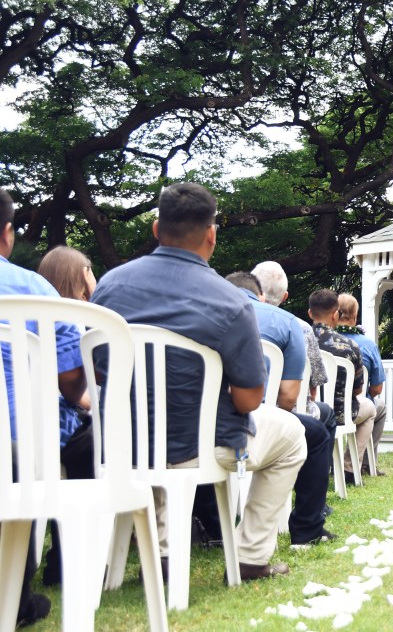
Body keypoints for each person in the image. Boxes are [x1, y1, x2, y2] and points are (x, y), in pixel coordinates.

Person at [91, 182, 306, 579]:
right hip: (198, 447)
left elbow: (100, 369)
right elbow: (248, 401)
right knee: (292, 434)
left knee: (157, 424)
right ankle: (249, 557)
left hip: (125, 442)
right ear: (212, 235)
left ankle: (164, 550)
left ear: (156, 229)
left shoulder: (109, 287)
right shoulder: (231, 300)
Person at [0, 189, 88, 626]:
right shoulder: (33, 290)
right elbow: (71, 382)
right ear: (7, 234)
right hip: (21, 441)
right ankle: (30, 585)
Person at [225, 272, 335, 546]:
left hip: (190, 427)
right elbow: (287, 399)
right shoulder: (288, 322)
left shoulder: (202, 313)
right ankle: (307, 527)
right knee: (318, 433)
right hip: (255, 421)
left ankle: (210, 524)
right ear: (261, 296)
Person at [35, 246, 99, 586]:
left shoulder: (25, 310)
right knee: (92, 446)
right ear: (82, 277)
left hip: (17, 424)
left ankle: (60, 560)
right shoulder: (70, 319)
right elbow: (72, 390)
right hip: (52, 425)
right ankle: (69, 558)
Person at [251, 261, 337, 438]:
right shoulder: (300, 327)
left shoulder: (231, 317)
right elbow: (314, 383)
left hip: (240, 408)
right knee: (327, 414)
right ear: (284, 297)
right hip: (286, 413)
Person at [308, 288, 374, 485]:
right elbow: (358, 391)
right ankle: (349, 468)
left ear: (310, 313)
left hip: (308, 409)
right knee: (371, 409)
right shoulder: (349, 345)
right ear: (335, 315)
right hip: (341, 413)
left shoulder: (299, 339)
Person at [337, 293, 389, 475]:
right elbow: (377, 388)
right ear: (355, 315)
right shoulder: (367, 345)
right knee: (379, 408)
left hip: (323, 406)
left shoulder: (322, 341)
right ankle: (364, 463)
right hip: (354, 407)